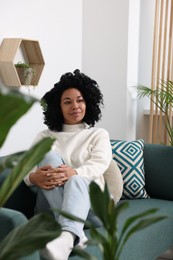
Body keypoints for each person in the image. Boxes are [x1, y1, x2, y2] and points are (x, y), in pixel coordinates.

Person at [24, 69, 112, 260]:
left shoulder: (98, 135)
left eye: (80, 100)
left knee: (76, 180)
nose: (75, 106)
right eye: (67, 102)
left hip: (92, 210)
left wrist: (74, 173)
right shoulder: (44, 136)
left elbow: (99, 164)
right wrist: (32, 177)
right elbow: (25, 169)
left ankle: (67, 235)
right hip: (49, 209)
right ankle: (72, 235)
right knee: (48, 156)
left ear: (88, 102)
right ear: (58, 106)